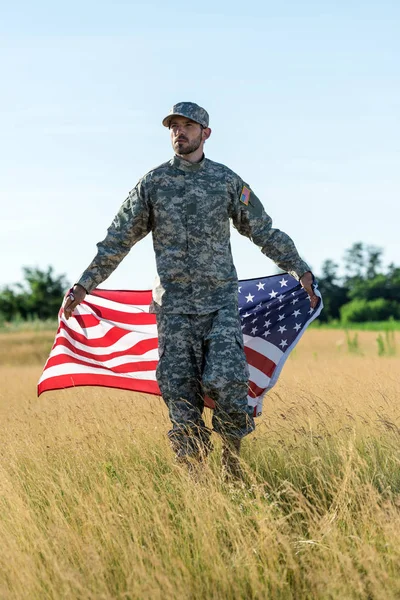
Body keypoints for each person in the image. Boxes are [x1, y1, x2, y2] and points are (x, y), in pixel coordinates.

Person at [64, 101, 317, 473]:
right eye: (173, 126)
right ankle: (195, 480)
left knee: (229, 382)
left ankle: (232, 467)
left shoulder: (226, 181)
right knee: (181, 396)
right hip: (174, 310)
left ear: (205, 134)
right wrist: (85, 284)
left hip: (220, 306)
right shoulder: (153, 184)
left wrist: (299, 269)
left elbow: (263, 230)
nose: (178, 132)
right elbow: (118, 239)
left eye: (187, 126)